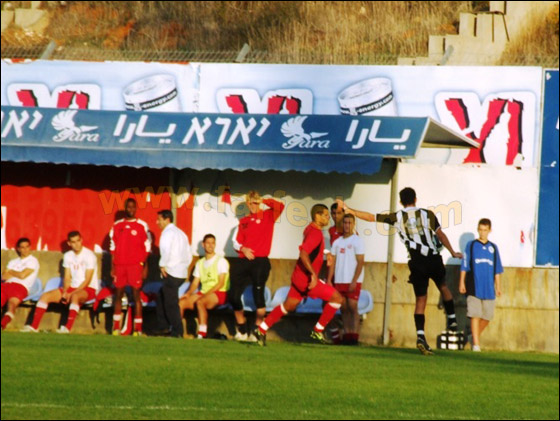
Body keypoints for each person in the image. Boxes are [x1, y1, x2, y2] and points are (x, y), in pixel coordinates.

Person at [340, 188, 463, 355]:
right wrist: (453, 252)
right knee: (443, 287)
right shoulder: (427, 214)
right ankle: (452, 318)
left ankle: (420, 336)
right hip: (433, 258)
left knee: (421, 300)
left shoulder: (397, 217)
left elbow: (371, 217)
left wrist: (350, 210)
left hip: (417, 262)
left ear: (400, 202)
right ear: (415, 199)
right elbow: (440, 235)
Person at [255, 204, 344, 346]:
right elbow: (304, 253)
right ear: (317, 216)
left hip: (299, 275)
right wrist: (313, 275)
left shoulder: (310, 228)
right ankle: (318, 330)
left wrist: (326, 252)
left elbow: (311, 248)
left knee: (289, 305)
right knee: (337, 298)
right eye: (326, 215)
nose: (329, 218)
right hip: (306, 279)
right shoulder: (315, 233)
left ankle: (261, 329)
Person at [230, 190, 285, 341]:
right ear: (247, 204)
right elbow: (236, 242)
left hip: (260, 261)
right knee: (233, 296)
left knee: (258, 296)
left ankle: (258, 330)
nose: (253, 205)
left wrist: (264, 200)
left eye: (255, 203)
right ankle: (242, 328)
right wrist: (243, 249)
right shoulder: (243, 221)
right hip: (243, 260)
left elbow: (280, 206)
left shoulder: (268, 216)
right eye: (250, 203)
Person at [22, 231, 99, 333]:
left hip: (88, 289)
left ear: (81, 240)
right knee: (45, 296)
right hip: (72, 288)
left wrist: (71, 293)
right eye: (73, 242)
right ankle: (34, 327)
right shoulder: (68, 256)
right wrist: (65, 292)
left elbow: (87, 280)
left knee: (75, 297)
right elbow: (67, 277)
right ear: (69, 243)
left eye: (78, 241)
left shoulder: (89, 256)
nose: (76, 244)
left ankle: (67, 329)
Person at [459, 218, 503, 352]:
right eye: (480, 230)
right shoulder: (471, 245)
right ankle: (476, 345)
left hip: (488, 288)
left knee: (487, 316)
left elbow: (497, 269)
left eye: (485, 230)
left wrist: (498, 287)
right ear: (478, 230)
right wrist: (461, 282)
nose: (482, 233)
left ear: (490, 230)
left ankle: (473, 336)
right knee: (475, 315)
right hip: (473, 286)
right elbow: (464, 266)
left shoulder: (493, 248)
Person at [109, 198, 151, 336]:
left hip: (135, 265)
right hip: (120, 265)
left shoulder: (142, 225)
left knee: (136, 295)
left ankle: (138, 329)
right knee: (118, 295)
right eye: (128, 207)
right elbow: (112, 248)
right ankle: (116, 328)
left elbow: (147, 248)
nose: (131, 209)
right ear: (125, 208)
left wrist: (145, 267)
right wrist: (112, 267)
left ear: (136, 208)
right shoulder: (117, 225)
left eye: (133, 207)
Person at [179, 234, 230, 338]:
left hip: (219, 293)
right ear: (203, 245)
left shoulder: (221, 261)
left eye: (213, 243)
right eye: (208, 243)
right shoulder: (200, 263)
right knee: (181, 303)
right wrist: (188, 293)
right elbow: (195, 283)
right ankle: (177, 331)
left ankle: (202, 333)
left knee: (200, 302)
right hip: (204, 292)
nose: (211, 245)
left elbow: (221, 283)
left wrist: (205, 294)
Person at [327, 214, 365, 345]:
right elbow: (332, 262)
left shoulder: (357, 241)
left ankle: (354, 336)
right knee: (343, 308)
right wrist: (329, 279)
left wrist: (354, 280)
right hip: (339, 279)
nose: (347, 225)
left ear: (353, 224)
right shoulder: (337, 242)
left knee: (352, 307)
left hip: (353, 280)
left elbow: (360, 262)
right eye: (345, 223)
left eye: (349, 223)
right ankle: (347, 334)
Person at [154, 210, 192, 338]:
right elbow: (189, 253)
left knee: (171, 303)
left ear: (166, 219)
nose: (157, 222)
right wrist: (184, 266)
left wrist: (162, 265)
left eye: (159, 219)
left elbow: (166, 251)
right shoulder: (181, 233)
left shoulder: (167, 233)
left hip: (171, 271)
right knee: (161, 296)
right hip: (181, 272)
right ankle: (163, 326)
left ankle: (177, 331)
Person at [1, 237, 40, 330]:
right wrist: (16, 273)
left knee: (12, 304)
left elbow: (23, 275)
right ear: (18, 249)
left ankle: (3, 324)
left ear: (30, 247)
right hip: (6, 285)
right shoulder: (13, 261)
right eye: (22, 247)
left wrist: (11, 272)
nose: (25, 250)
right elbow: (4, 276)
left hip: (21, 287)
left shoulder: (33, 261)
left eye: (27, 247)